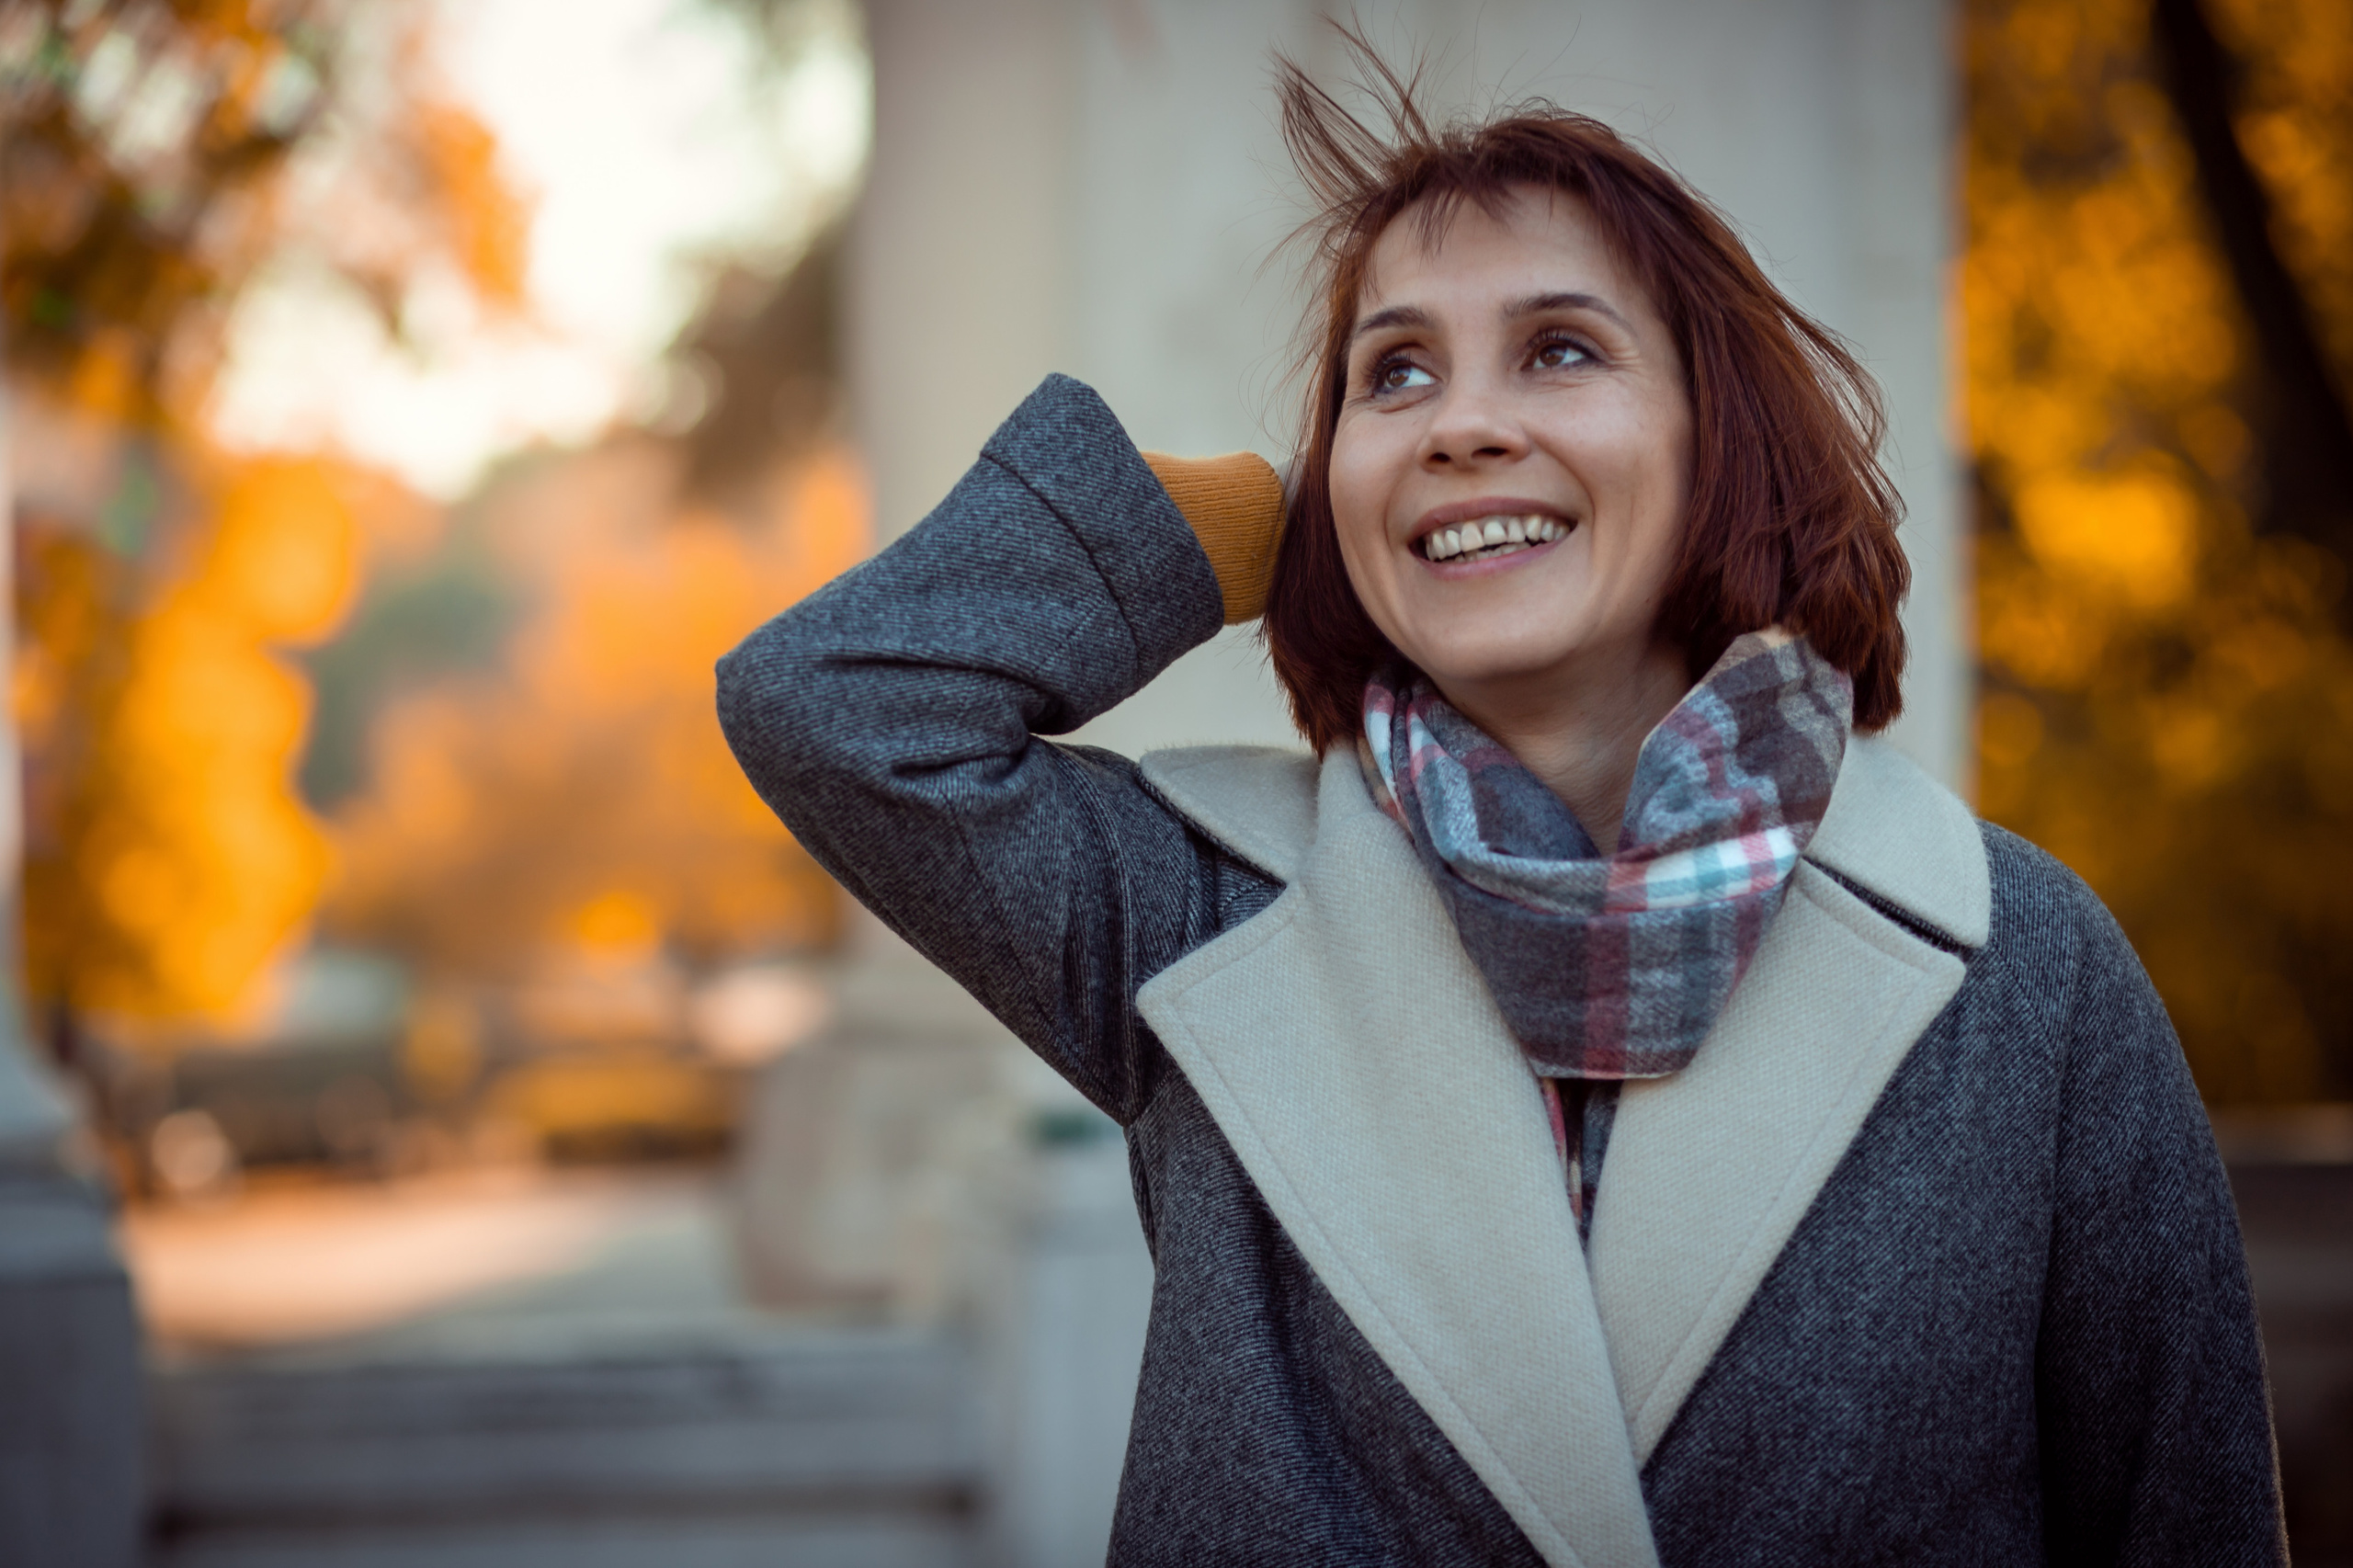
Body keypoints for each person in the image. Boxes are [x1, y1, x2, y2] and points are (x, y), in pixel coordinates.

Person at [717, 46, 2284, 1568]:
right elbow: (832, 706)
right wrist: (1259, 521)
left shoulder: (2022, 963)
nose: (1459, 423)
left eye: (1560, 350)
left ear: (1719, 439)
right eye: (1394, 374)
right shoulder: (1202, 916)